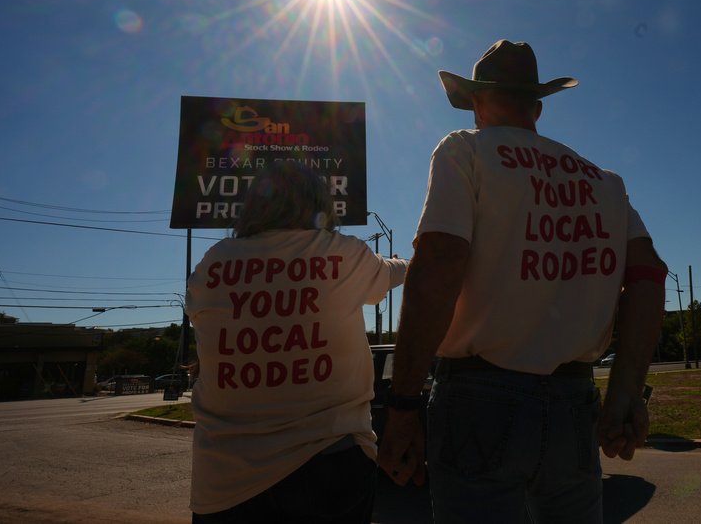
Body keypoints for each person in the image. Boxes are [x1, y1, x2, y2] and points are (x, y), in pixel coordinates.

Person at [377, 39, 667, 524]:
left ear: (476, 100)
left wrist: (404, 404)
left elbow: (438, 265)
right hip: (575, 401)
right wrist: (625, 391)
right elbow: (647, 274)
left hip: (478, 399)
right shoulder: (604, 181)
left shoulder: (464, 150)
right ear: (537, 106)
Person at [184, 160, 409, 523]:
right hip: (331, 467)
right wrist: (407, 263)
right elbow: (398, 271)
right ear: (320, 203)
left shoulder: (213, 263)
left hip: (224, 481)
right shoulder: (344, 252)